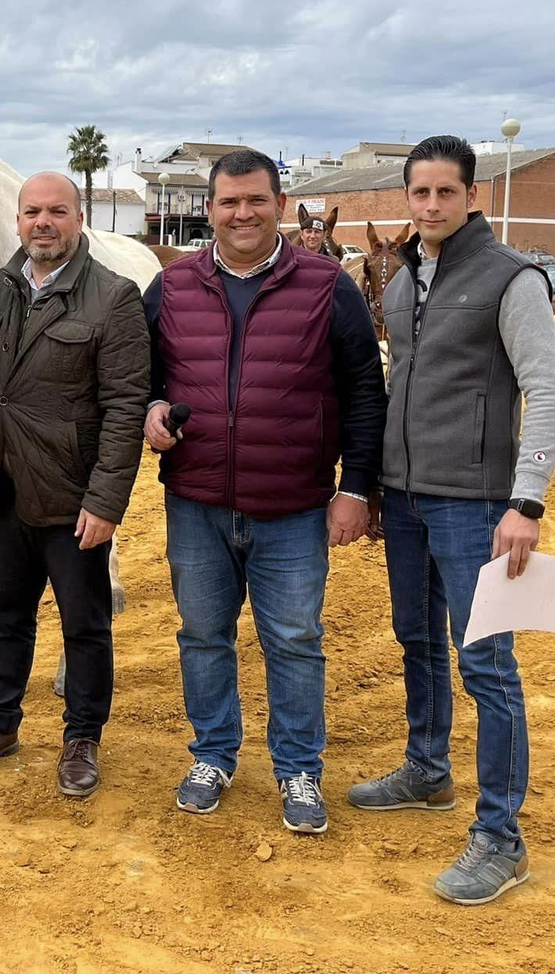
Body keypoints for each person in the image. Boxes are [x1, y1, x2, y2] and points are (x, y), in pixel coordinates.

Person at [348, 134, 555, 906]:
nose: (433, 205)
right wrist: (375, 483)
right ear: (407, 198)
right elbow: (397, 384)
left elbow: (547, 391)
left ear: (472, 196)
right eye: (420, 193)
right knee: (416, 638)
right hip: (406, 499)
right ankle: (428, 770)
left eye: (447, 192)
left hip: (477, 503)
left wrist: (525, 502)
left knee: (485, 665)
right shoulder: (404, 280)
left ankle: (502, 838)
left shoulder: (510, 278)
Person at [143, 148, 386, 831]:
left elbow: (365, 392)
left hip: (294, 505)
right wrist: (152, 413)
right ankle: (214, 753)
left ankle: (300, 769)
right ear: (211, 209)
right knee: (202, 635)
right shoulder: (172, 287)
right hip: (196, 501)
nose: (242, 213)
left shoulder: (326, 286)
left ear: (280, 205)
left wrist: (357, 488)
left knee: (295, 639)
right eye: (228, 201)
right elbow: (143, 380)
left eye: (255, 200)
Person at [0, 172, 150, 799]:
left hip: (73, 496)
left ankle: (82, 736)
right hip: (5, 486)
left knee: (84, 623)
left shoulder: (113, 297)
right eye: (32, 213)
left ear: (77, 218)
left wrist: (106, 502)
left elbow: (127, 407)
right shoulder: (4, 284)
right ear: (19, 220)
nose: (43, 223)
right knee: (5, 613)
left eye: (57, 211)